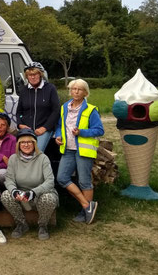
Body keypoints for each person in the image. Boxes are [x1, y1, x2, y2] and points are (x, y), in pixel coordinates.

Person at [55, 79, 104, 225]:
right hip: (68, 149)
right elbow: (59, 125)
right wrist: (58, 135)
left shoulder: (90, 109)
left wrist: (81, 132)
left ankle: (85, 212)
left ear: (85, 92)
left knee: (84, 182)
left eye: (79, 89)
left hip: (83, 150)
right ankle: (87, 205)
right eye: (73, 89)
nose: (76, 92)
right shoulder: (64, 107)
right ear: (70, 91)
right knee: (62, 178)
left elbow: (99, 130)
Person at [0, 128, 59, 240]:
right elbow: (9, 179)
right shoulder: (13, 158)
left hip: (40, 194)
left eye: (29, 142)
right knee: (6, 195)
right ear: (18, 144)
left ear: (34, 143)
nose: (26, 145)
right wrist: (14, 191)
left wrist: (33, 192)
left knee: (48, 198)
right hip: (21, 195)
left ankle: (43, 225)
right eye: (23, 142)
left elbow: (50, 181)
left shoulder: (43, 158)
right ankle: (21, 224)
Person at [16, 62, 60, 153]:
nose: (32, 77)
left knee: (37, 152)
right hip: (27, 129)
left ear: (40, 74)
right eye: (29, 75)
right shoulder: (24, 90)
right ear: (26, 76)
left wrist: (45, 128)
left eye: (35, 74)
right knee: (24, 153)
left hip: (44, 129)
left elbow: (56, 111)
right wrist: (20, 124)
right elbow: (19, 112)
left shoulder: (50, 89)